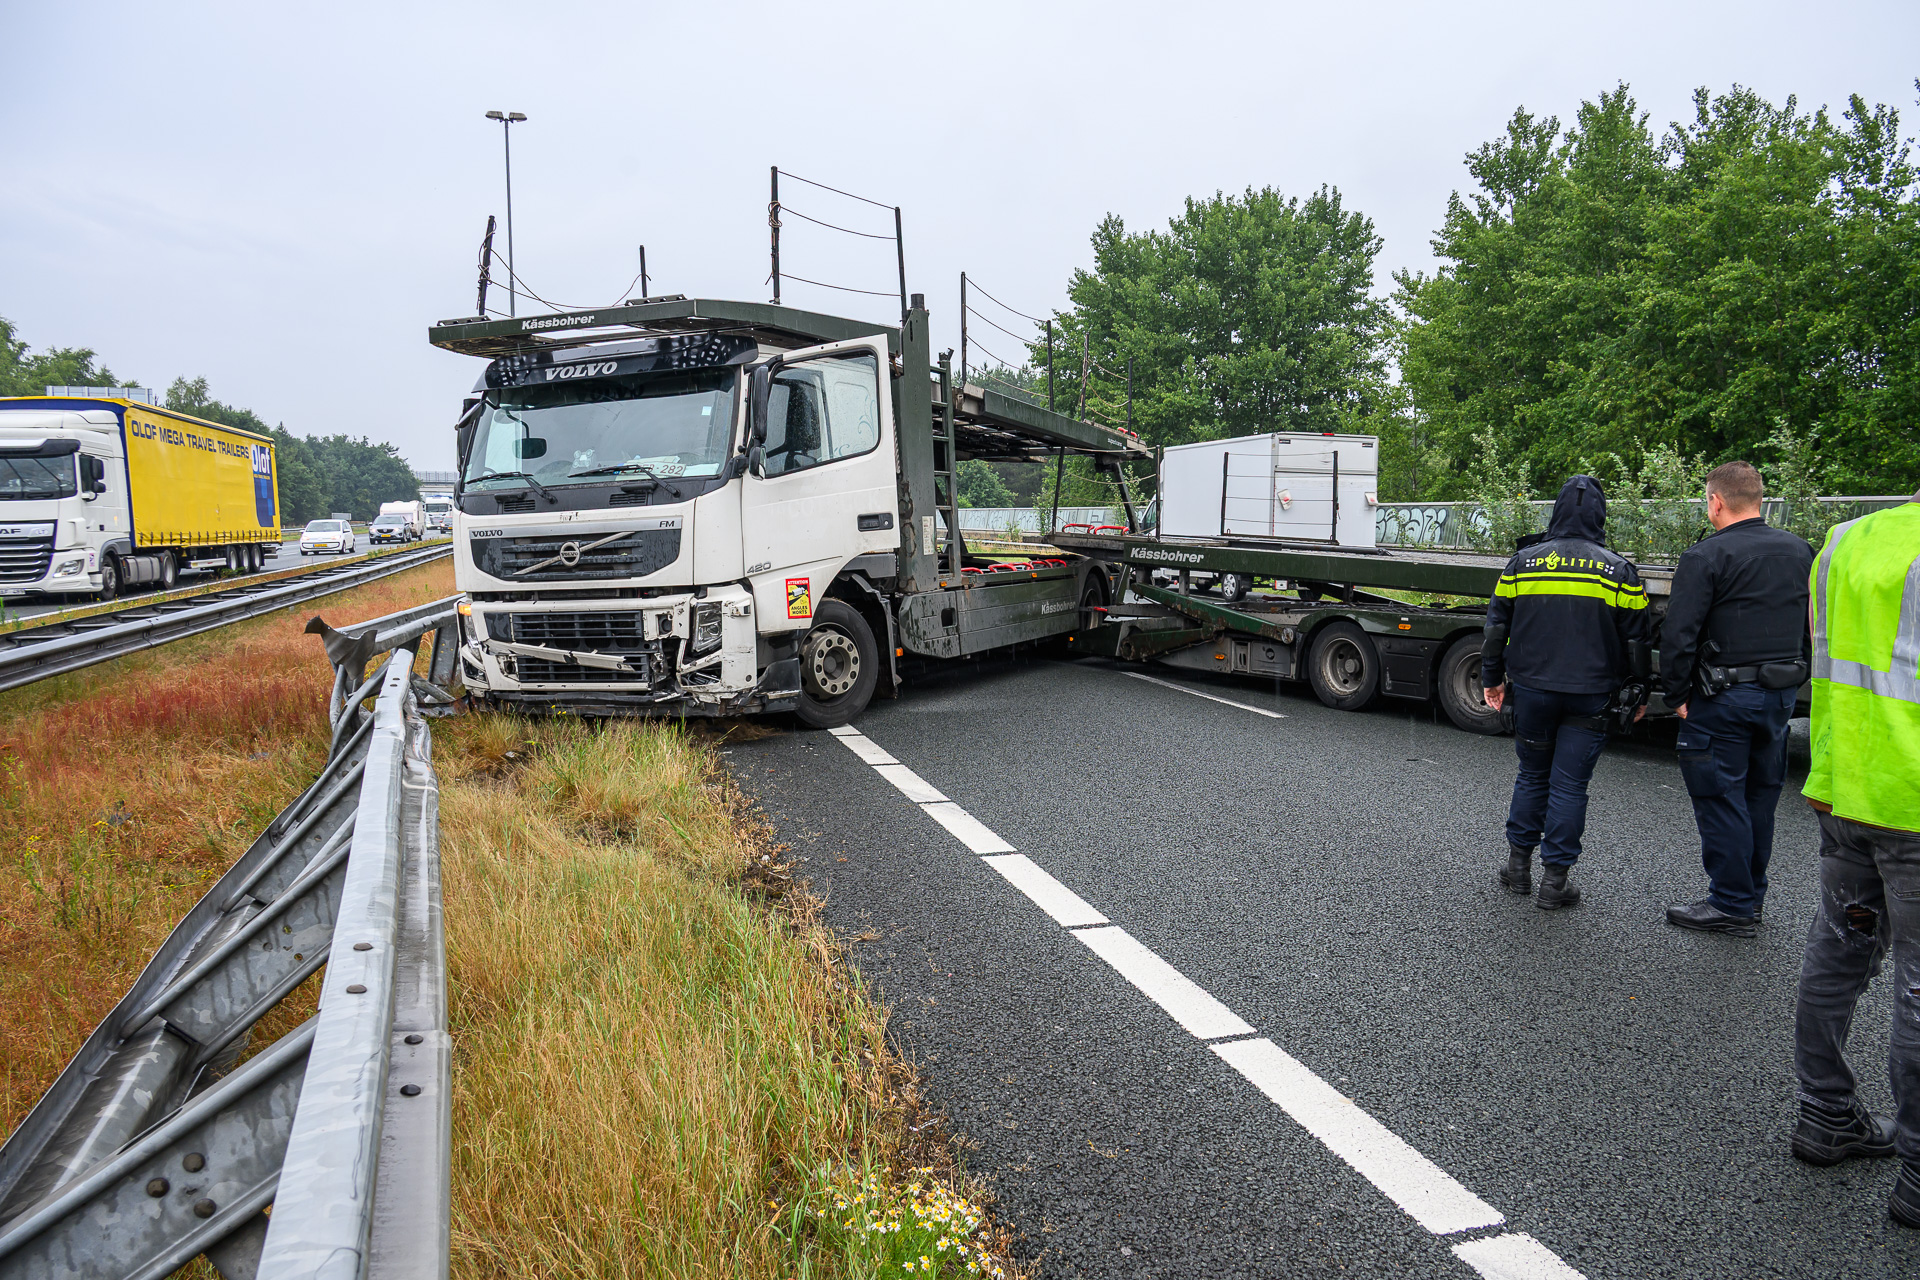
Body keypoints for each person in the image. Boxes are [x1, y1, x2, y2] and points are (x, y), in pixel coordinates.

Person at [1790, 486, 1920, 1228]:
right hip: (1913, 800)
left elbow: (1827, 660)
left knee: (1838, 952)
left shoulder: (1844, 540)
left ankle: (1824, 1113)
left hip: (1845, 788)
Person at [1659, 461, 1814, 936]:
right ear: (1760, 499)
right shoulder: (1801, 551)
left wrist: (1676, 693)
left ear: (1716, 501)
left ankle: (1730, 904)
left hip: (1723, 698)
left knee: (1720, 796)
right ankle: (1751, 896)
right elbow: (1810, 627)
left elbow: (1679, 634)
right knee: (1759, 799)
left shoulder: (1706, 557)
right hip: (1779, 695)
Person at [1482, 475, 1651, 909]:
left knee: (1533, 775)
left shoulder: (1522, 563)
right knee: (1570, 785)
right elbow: (1637, 642)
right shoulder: (1618, 570)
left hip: (1533, 690)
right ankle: (1555, 883)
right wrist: (1641, 691)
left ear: (1555, 511)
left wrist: (1491, 679)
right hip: (1591, 694)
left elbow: (1496, 628)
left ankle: (1518, 867)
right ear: (1600, 515)